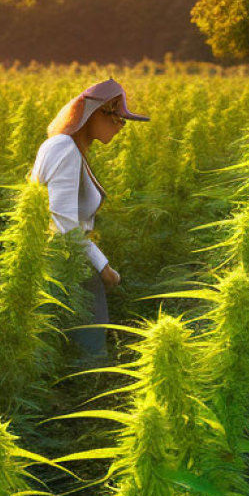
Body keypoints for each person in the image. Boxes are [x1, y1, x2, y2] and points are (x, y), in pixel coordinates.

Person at [30, 78, 149, 357]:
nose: (121, 128)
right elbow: (63, 222)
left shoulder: (69, 147)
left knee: (71, 348)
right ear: (97, 113)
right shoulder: (64, 148)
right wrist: (103, 266)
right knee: (88, 353)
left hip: (70, 257)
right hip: (68, 261)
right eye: (119, 119)